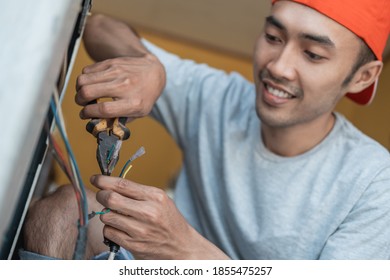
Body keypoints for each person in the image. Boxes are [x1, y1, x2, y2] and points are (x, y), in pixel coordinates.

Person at [20, 0, 390, 260]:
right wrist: (148, 64)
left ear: (362, 76)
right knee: (65, 210)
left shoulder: (373, 182)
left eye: (312, 54)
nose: (278, 66)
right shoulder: (221, 98)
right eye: (274, 38)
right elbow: (98, 26)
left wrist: (183, 250)